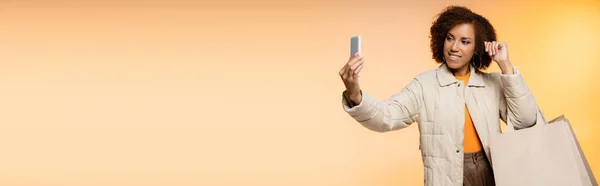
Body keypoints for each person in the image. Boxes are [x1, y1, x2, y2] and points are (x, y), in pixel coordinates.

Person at [338, 6, 538, 186]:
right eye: (450, 38)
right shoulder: (424, 85)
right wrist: (355, 93)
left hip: (492, 172)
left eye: (465, 41)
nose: (454, 47)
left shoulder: (492, 84)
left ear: (476, 48)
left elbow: (526, 120)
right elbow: (386, 117)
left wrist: (506, 65)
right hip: (448, 176)